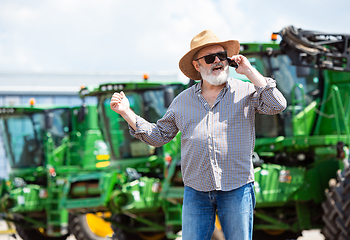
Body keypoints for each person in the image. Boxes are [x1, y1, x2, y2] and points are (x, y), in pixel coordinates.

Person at [110, 29, 287, 240]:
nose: (218, 62)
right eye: (210, 58)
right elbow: (158, 137)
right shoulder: (182, 101)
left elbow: (277, 104)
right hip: (196, 190)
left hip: (237, 187)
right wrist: (126, 113)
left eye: (222, 56)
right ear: (197, 65)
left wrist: (249, 71)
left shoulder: (246, 91)